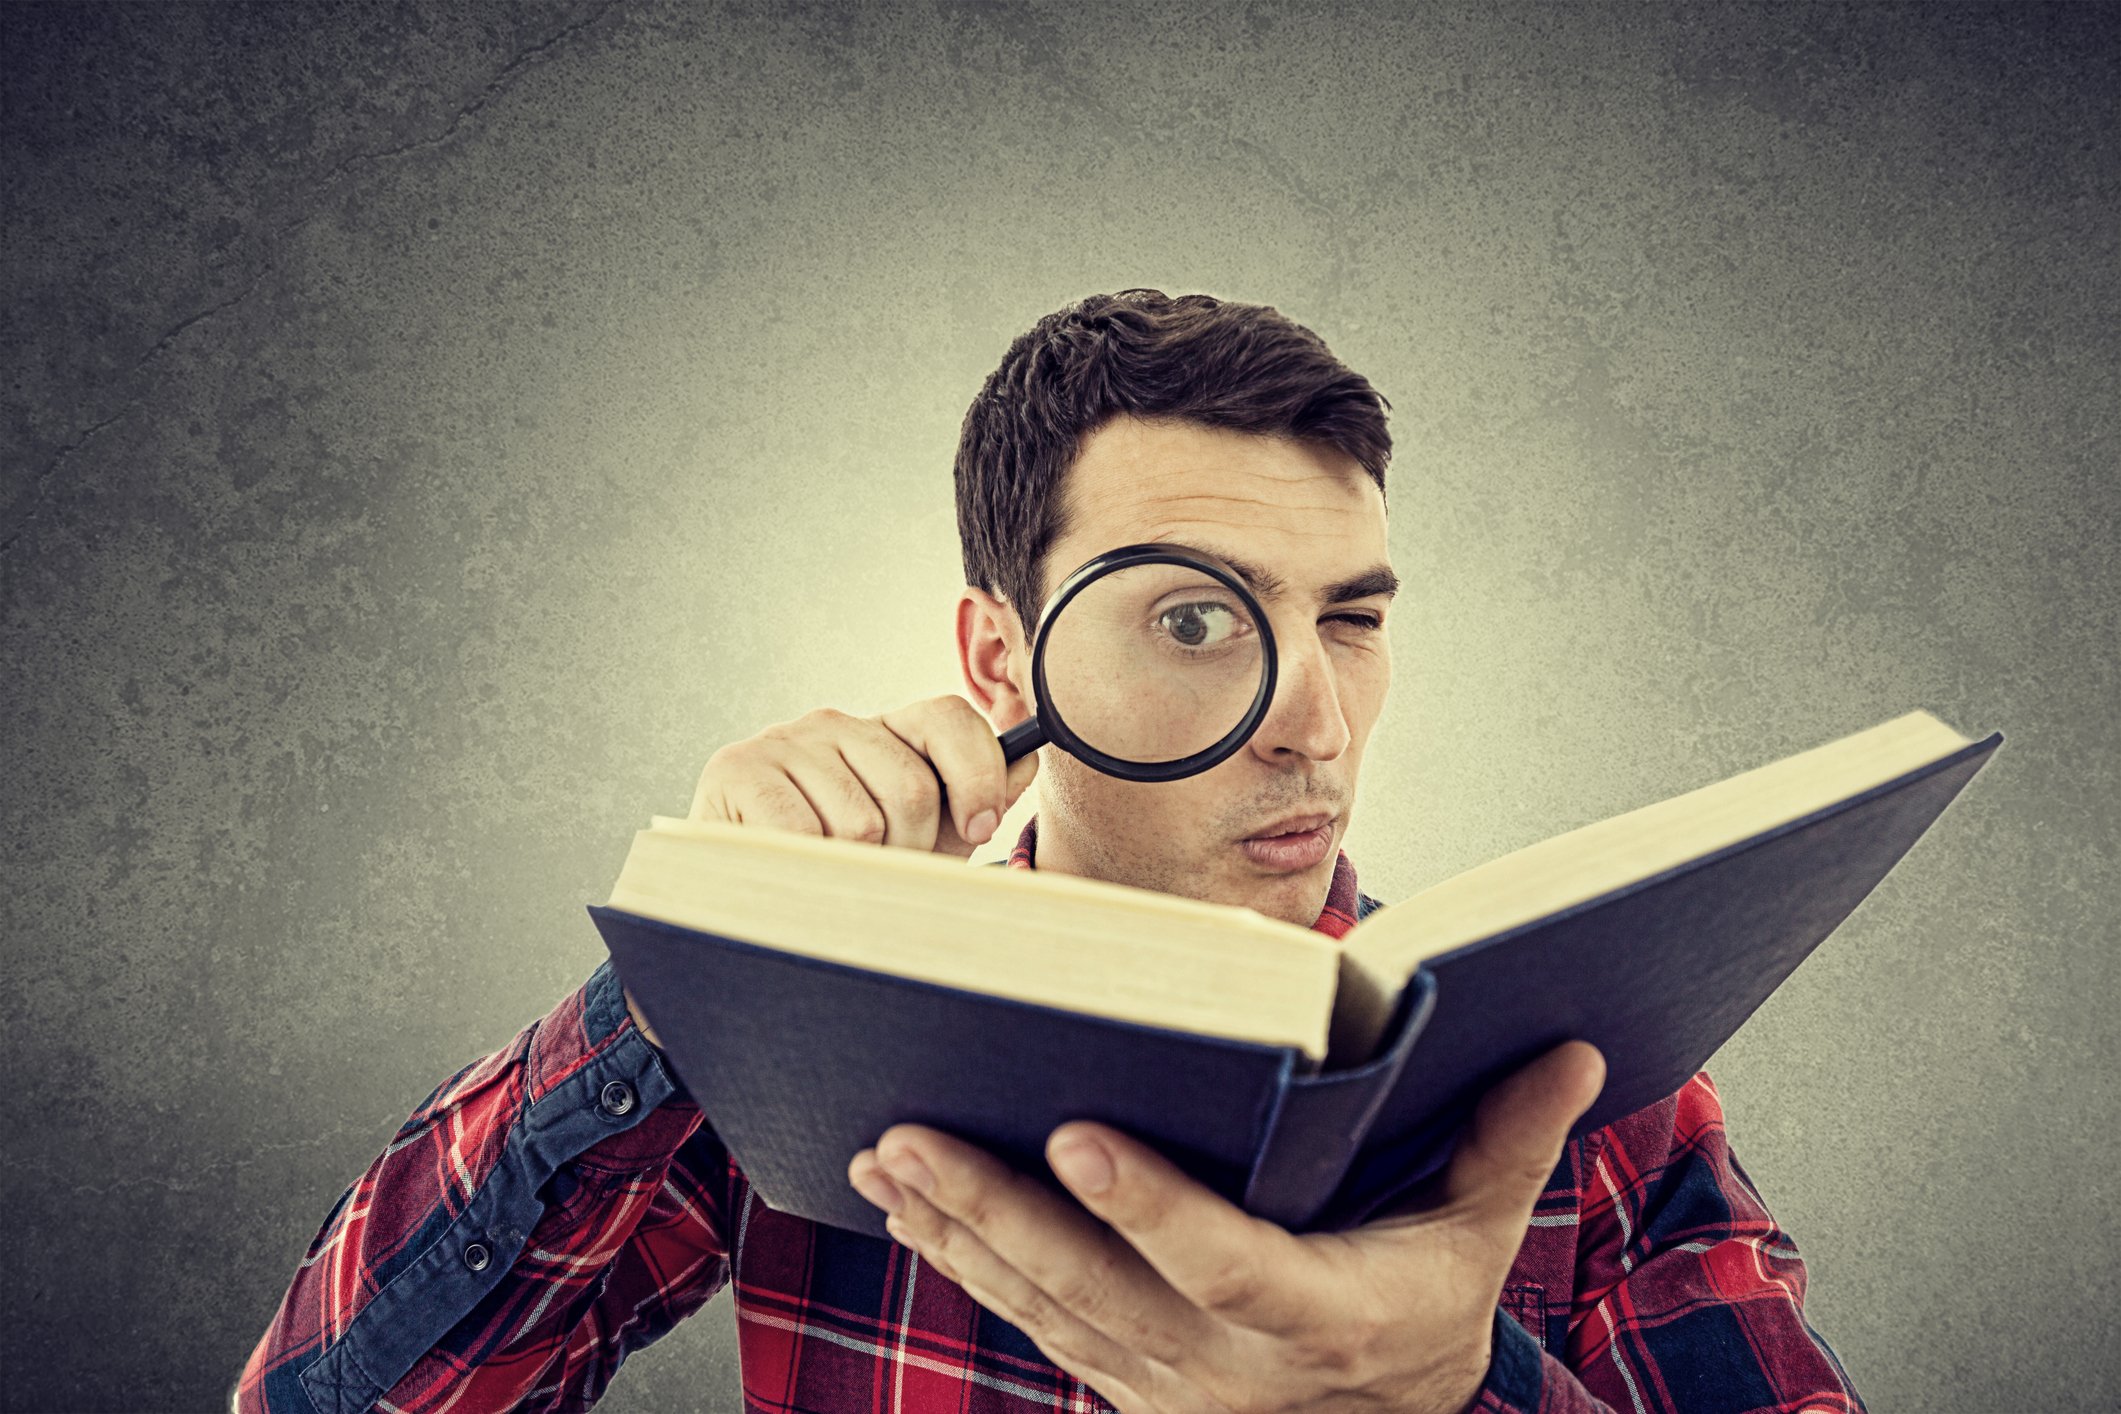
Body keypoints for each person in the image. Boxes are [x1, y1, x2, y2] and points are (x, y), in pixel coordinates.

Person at [236, 290, 1869, 1412]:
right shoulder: (819, 1039)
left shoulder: (1574, 1073)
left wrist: (1455, 1393)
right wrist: (691, 962)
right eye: (1190, 617)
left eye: (1352, 621)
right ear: (1005, 664)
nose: (1315, 721)